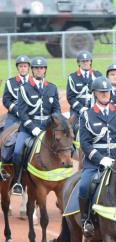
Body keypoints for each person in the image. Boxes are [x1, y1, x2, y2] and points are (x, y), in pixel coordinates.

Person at [78, 76, 116, 237]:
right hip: (95, 164)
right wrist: (101, 159)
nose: (105, 94)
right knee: (85, 185)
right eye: (101, 92)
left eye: (107, 92)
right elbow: (85, 144)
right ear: (94, 94)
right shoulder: (87, 115)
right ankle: (86, 220)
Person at [10, 56, 61, 196]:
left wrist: (50, 123)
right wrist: (34, 128)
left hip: (48, 128)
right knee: (17, 151)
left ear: (45, 70)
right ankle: (18, 181)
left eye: (42, 68)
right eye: (36, 68)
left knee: (65, 145)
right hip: (28, 128)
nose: (39, 70)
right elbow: (22, 113)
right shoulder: (24, 88)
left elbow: (56, 110)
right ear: (32, 70)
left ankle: (63, 177)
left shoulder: (51, 88)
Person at [66, 51, 102, 134]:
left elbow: (101, 94)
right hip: (77, 111)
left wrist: (94, 108)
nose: (85, 63)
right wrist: (81, 108)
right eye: (83, 61)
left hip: (94, 109)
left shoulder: (97, 75)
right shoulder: (73, 77)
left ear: (90, 62)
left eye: (87, 61)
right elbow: (70, 97)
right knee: (75, 129)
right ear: (79, 62)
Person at [2, 55, 30, 130]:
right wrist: (17, 111)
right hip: (14, 115)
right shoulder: (10, 82)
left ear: (28, 67)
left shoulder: (35, 81)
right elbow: (6, 100)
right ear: (17, 67)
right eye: (20, 66)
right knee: (7, 138)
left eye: (25, 66)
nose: (23, 68)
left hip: (30, 114)